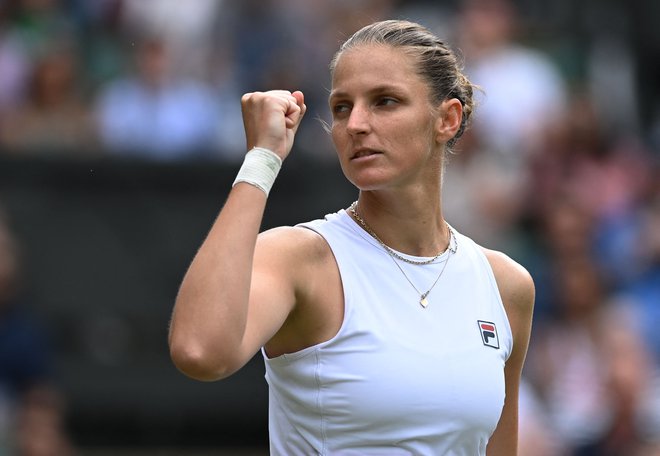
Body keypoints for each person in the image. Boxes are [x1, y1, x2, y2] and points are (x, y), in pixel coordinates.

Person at [169, 19, 534, 455]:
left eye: (385, 101)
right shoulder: (299, 258)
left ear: (447, 119)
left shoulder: (506, 285)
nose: (356, 123)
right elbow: (199, 350)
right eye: (342, 107)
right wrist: (261, 160)